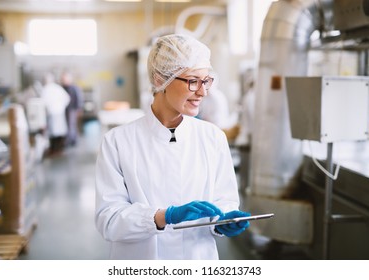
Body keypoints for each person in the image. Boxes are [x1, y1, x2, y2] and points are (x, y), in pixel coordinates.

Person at [95, 34, 250, 260]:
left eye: (206, 80)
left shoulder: (213, 138)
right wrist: (162, 217)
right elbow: (108, 220)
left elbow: (224, 201)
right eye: (193, 81)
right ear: (160, 80)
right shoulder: (118, 142)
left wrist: (223, 221)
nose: (203, 91)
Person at [41, 73, 70, 155]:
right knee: (60, 131)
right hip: (59, 112)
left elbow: (43, 102)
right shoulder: (58, 87)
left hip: (51, 112)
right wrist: (62, 106)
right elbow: (67, 98)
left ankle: (54, 150)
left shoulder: (45, 89)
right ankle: (59, 150)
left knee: (52, 133)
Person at [61, 71, 84, 146]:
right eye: (63, 79)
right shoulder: (63, 88)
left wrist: (79, 109)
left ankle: (72, 140)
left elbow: (79, 98)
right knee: (68, 125)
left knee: (71, 125)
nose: (63, 80)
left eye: (65, 79)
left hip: (73, 109)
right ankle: (69, 139)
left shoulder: (74, 88)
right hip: (65, 109)